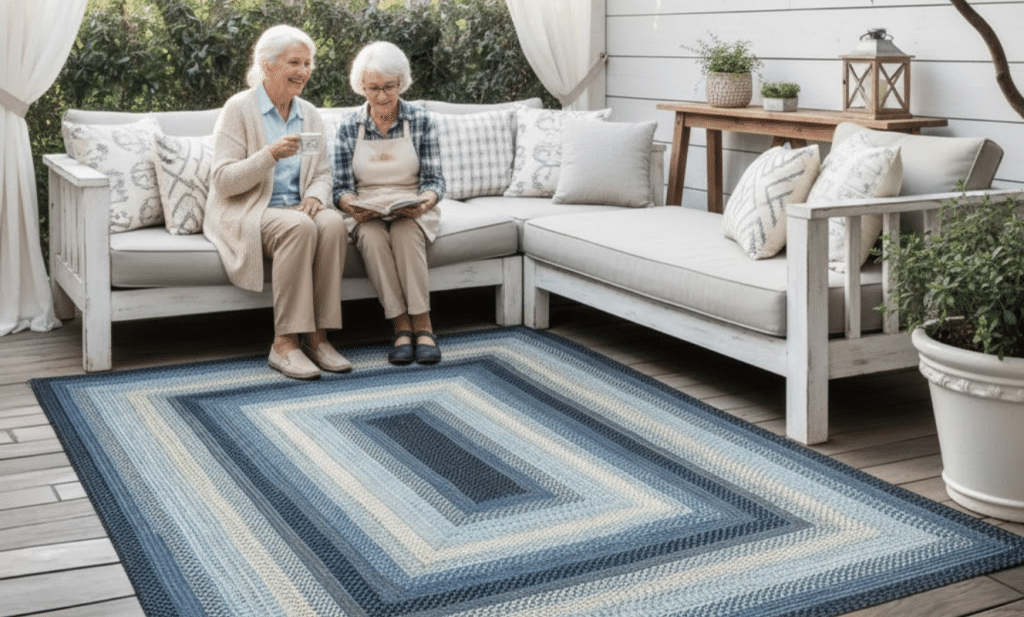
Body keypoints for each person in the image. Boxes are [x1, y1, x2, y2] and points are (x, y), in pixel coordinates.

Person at [204, 25, 351, 380]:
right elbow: (223, 181)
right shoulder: (238, 109)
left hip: (297, 208)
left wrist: (316, 195)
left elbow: (321, 172)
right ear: (267, 65)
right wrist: (268, 155)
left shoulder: (309, 114)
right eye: (294, 62)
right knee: (298, 226)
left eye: (307, 63)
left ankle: (318, 337)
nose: (303, 71)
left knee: (331, 223)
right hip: (249, 209)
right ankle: (284, 344)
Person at [333, 41, 445, 365]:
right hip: (366, 205)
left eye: (389, 87)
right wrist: (350, 205)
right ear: (361, 87)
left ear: (401, 83)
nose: (382, 96)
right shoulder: (347, 126)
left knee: (405, 230)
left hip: (412, 203)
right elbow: (341, 186)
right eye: (373, 88)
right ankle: (400, 326)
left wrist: (424, 202)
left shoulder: (420, 120)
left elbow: (435, 181)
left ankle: (423, 325)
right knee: (369, 235)